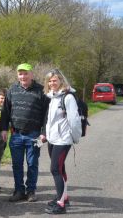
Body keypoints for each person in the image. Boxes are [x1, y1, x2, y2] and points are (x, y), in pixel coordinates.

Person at [0, 63, 50, 202]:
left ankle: (31, 191)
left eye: (25, 73)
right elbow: (5, 112)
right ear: (17, 75)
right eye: (20, 73)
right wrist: (4, 129)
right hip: (16, 134)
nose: (23, 76)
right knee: (16, 164)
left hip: (34, 135)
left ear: (31, 74)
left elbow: (47, 114)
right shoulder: (12, 90)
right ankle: (19, 191)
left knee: (32, 163)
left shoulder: (41, 91)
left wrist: (44, 132)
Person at [44, 69, 81, 214]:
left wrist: (75, 138)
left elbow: (74, 120)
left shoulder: (68, 97)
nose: (52, 83)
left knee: (55, 169)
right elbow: (50, 120)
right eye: (50, 81)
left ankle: (60, 205)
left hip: (63, 140)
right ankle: (63, 197)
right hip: (52, 139)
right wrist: (46, 135)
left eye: (55, 80)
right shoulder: (52, 97)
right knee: (60, 169)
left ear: (61, 81)